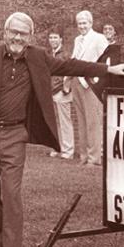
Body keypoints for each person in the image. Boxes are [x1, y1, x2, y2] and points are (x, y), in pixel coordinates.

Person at [0, 12, 124, 247]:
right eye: (14, 32)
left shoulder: (37, 56)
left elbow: (71, 66)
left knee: (11, 196)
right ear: (5, 33)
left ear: (30, 37)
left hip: (14, 136)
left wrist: (107, 69)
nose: (17, 37)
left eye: (23, 33)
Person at [69, 10, 110, 166]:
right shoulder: (77, 40)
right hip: (77, 83)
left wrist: (97, 80)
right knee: (81, 121)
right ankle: (84, 157)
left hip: (92, 85)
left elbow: (107, 61)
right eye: (79, 23)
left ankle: (94, 158)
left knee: (93, 122)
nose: (82, 26)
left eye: (84, 23)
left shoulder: (99, 38)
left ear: (91, 23)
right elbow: (74, 60)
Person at [47, 31, 74, 160]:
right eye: (51, 37)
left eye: (55, 37)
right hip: (50, 91)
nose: (53, 40)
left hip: (61, 91)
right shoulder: (48, 54)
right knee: (54, 122)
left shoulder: (65, 53)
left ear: (61, 39)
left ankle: (68, 150)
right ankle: (57, 148)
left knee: (65, 121)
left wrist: (66, 87)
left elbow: (70, 71)